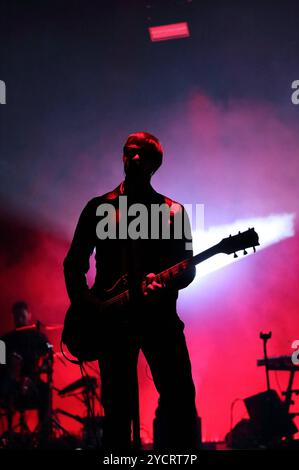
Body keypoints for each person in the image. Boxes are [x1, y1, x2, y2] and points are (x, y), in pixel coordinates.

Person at [63, 132, 199, 450]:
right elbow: (73, 266)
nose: (134, 158)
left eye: (142, 154)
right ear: (123, 157)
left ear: (155, 164)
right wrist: (90, 306)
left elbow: (188, 268)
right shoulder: (99, 208)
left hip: (160, 318)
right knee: (117, 410)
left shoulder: (173, 212)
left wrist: (166, 282)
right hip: (112, 324)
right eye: (129, 152)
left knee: (180, 398)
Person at [0, 301, 51, 441]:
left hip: (32, 382)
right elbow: (0, 364)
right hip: (11, 384)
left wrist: (43, 365)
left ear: (29, 315)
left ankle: (43, 434)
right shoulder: (4, 340)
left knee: (45, 390)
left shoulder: (37, 336)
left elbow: (48, 352)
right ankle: (7, 435)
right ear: (13, 317)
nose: (20, 319)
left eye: (22, 315)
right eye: (17, 316)